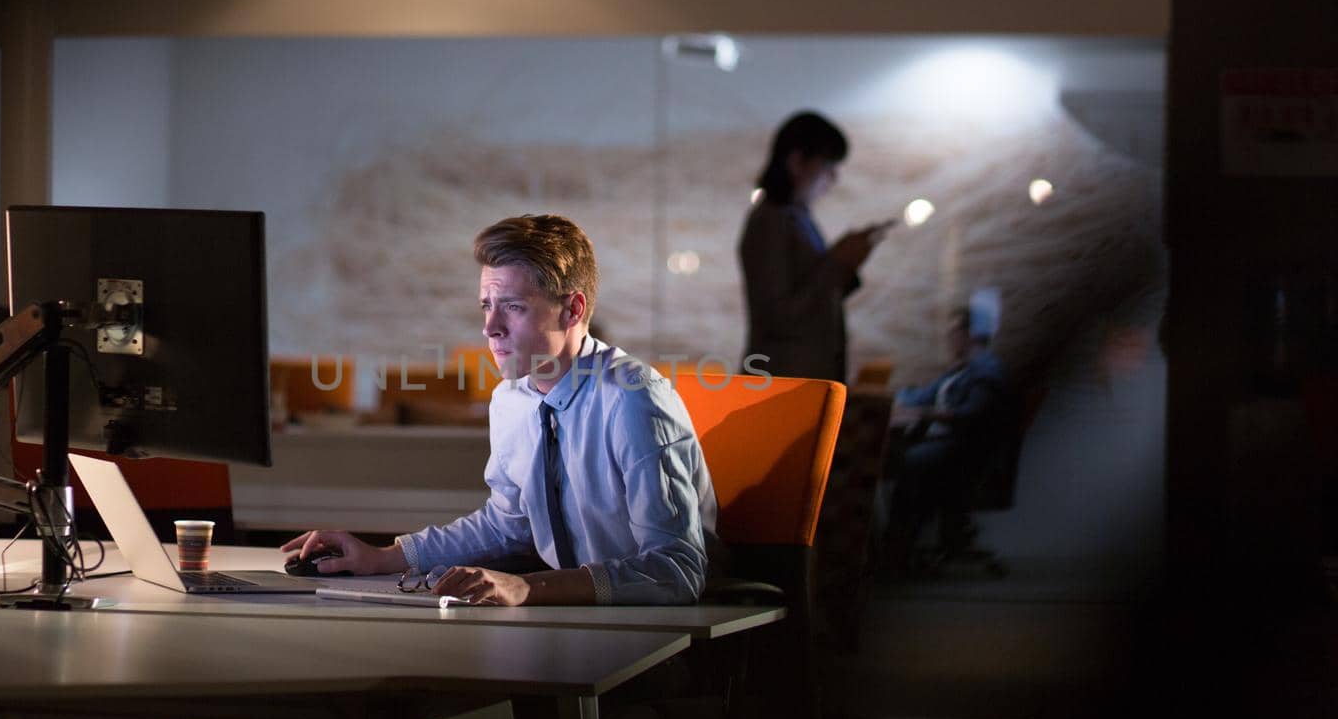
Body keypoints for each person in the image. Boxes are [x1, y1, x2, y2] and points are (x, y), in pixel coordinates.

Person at [283, 213, 718, 605]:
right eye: (487, 306)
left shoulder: (633, 399)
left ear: (573, 309)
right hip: (577, 622)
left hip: (655, 635)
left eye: (513, 307)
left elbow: (676, 570)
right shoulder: (512, 399)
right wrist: (383, 557)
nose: (490, 328)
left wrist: (529, 588)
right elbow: (506, 527)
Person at [739, 111, 891, 382]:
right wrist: (837, 262)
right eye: (828, 166)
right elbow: (778, 316)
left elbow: (810, 297)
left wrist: (846, 263)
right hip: (782, 382)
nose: (833, 179)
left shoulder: (797, 218)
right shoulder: (771, 220)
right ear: (797, 162)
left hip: (798, 379)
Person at [881, 307, 1011, 575]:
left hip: (966, 451)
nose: (950, 339)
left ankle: (897, 548)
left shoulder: (988, 371)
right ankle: (895, 546)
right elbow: (919, 397)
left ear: (971, 335)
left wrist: (923, 413)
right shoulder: (959, 371)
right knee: (894, 456)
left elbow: (972, 414)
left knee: (908, 462)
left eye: (954, 332)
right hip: (946, 445)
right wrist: (891, 399)